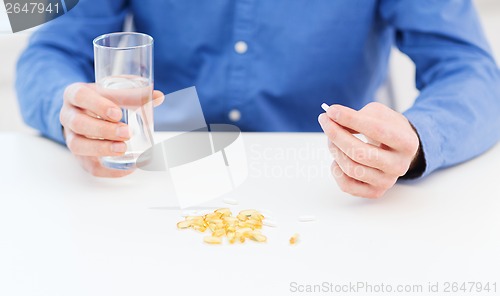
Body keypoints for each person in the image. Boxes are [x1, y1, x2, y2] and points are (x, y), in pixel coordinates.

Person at [16, 0, 500, 198]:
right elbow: (48, 50)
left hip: (329, 190)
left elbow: (474, 72)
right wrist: (72, 112)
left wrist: (417, 138)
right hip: (160, 181)